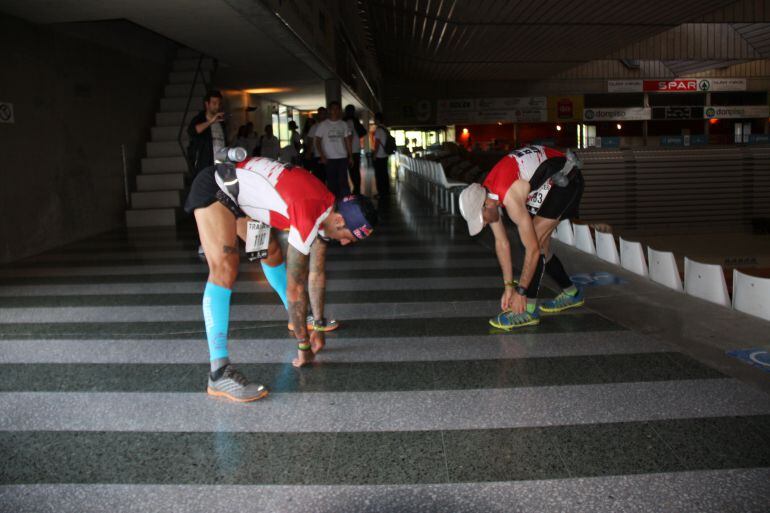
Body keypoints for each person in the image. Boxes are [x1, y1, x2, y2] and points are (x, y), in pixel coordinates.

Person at [184, 153, 378, 402]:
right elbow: (295, 288)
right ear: (340, 220)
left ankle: (295, 317)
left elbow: (317, 273)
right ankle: (219, 372)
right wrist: (303, 345)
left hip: (243, 202)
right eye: (348, 237)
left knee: (271, 253)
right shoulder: (309, 211)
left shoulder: (326, 206)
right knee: (225, 267)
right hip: (218, 189)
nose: (343, 242)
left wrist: (316, 324)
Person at [458, 145, 585, 330]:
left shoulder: (509, 196)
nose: (484, 224)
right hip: (546, 181)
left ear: (486, 205)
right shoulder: (488, 195)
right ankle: (572, 293)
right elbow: (502, 243)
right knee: (542, 245)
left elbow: (532, 249)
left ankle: (528, 310)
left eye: (482, 220)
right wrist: (509, 286)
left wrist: (521, 291)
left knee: (537, 242)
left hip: (566, 178)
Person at [315, 101, 353, 198]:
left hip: (342, 157)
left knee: (343, 181)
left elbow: (347, 141)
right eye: (333, 109)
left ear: (339, 111)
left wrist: (351, 156)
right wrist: (322, 156)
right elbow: (317, 141)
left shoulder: (343, 124)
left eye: (337, 109)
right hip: (329, 158)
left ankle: (346, 203)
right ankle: (333, 204)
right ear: (329, 111)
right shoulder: (323, 125)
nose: (335, 111)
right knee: (332, 183)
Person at [187, 90, 226, 176]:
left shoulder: (221, 122)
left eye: (219, 103)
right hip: (204, 163)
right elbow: (192, 130)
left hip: (220, 161)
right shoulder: (200, 118)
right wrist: (211, 121)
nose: (217, 106)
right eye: (214, 103)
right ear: (207, 104)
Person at [344, 105, 365, 195]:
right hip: (356, 149)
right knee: (355, 171)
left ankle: (355, 190)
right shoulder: (355, 120)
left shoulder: (347, 121)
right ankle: (357, 190)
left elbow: (349, 136)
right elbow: (362, 133)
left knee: (351, 171)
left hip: (350, 150)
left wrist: (348, 149)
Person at [372, 112, 390, 197]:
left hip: (379, 156)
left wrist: (375, 155)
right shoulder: (385, 129)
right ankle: (386, 191)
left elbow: (377, 143)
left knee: (379, 175)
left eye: (375, 119)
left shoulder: (378, 130)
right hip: (385, 155)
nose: (374, 120)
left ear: (377, 120)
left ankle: (380, 193)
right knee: (384, 174)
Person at [307, 107, 327, 183]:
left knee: (331, 178)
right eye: (321, 113)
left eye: (324, 114)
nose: (322, 115)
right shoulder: (314, 127)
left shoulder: (330, 125)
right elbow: (310, 141)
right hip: (318, 156)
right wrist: (308, 153)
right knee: (320, 178)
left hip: (331, 156)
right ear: (318, 115)